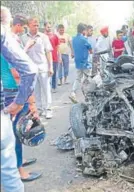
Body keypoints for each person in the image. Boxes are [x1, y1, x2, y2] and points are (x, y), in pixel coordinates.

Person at [1, 6, 37, 192]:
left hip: (8, 91)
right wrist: (28, 100)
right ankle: (20, 170)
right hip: (11, 92)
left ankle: (19, 164)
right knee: (15, 135)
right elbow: (20, 72)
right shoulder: (6, 39)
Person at [20, 17, 54, 119]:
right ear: (28, 26)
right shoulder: (24, 38)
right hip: (31, 69)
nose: (36, 27)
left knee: (46, 90)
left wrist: (50, 67)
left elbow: (48, 52)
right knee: (36, 91)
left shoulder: (43, 37)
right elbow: (22, 53)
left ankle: (48, 109)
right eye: (34, 25)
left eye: (37, 25)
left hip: (43, 67)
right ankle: (39, 109)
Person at [69, 23, 92, 103]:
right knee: (87, 79)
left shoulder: (74, 39)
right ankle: (88, 96)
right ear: (83, 31)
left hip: (78, 62)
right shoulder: (84, 39)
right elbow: (90, 49)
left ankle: (73, 92)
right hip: (85, 62)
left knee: (78, 78)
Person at [44, 21, 61, 93]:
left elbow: (58, 47)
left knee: (54, 73)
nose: (49, 28)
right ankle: (47, 87)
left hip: (54, 58)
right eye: (48, 27)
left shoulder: (55, 36)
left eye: (50, 27)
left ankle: (54, 87)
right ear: (45, 27)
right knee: (46, 74)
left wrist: (59, 57)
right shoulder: (42, 36)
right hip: (45, 59)